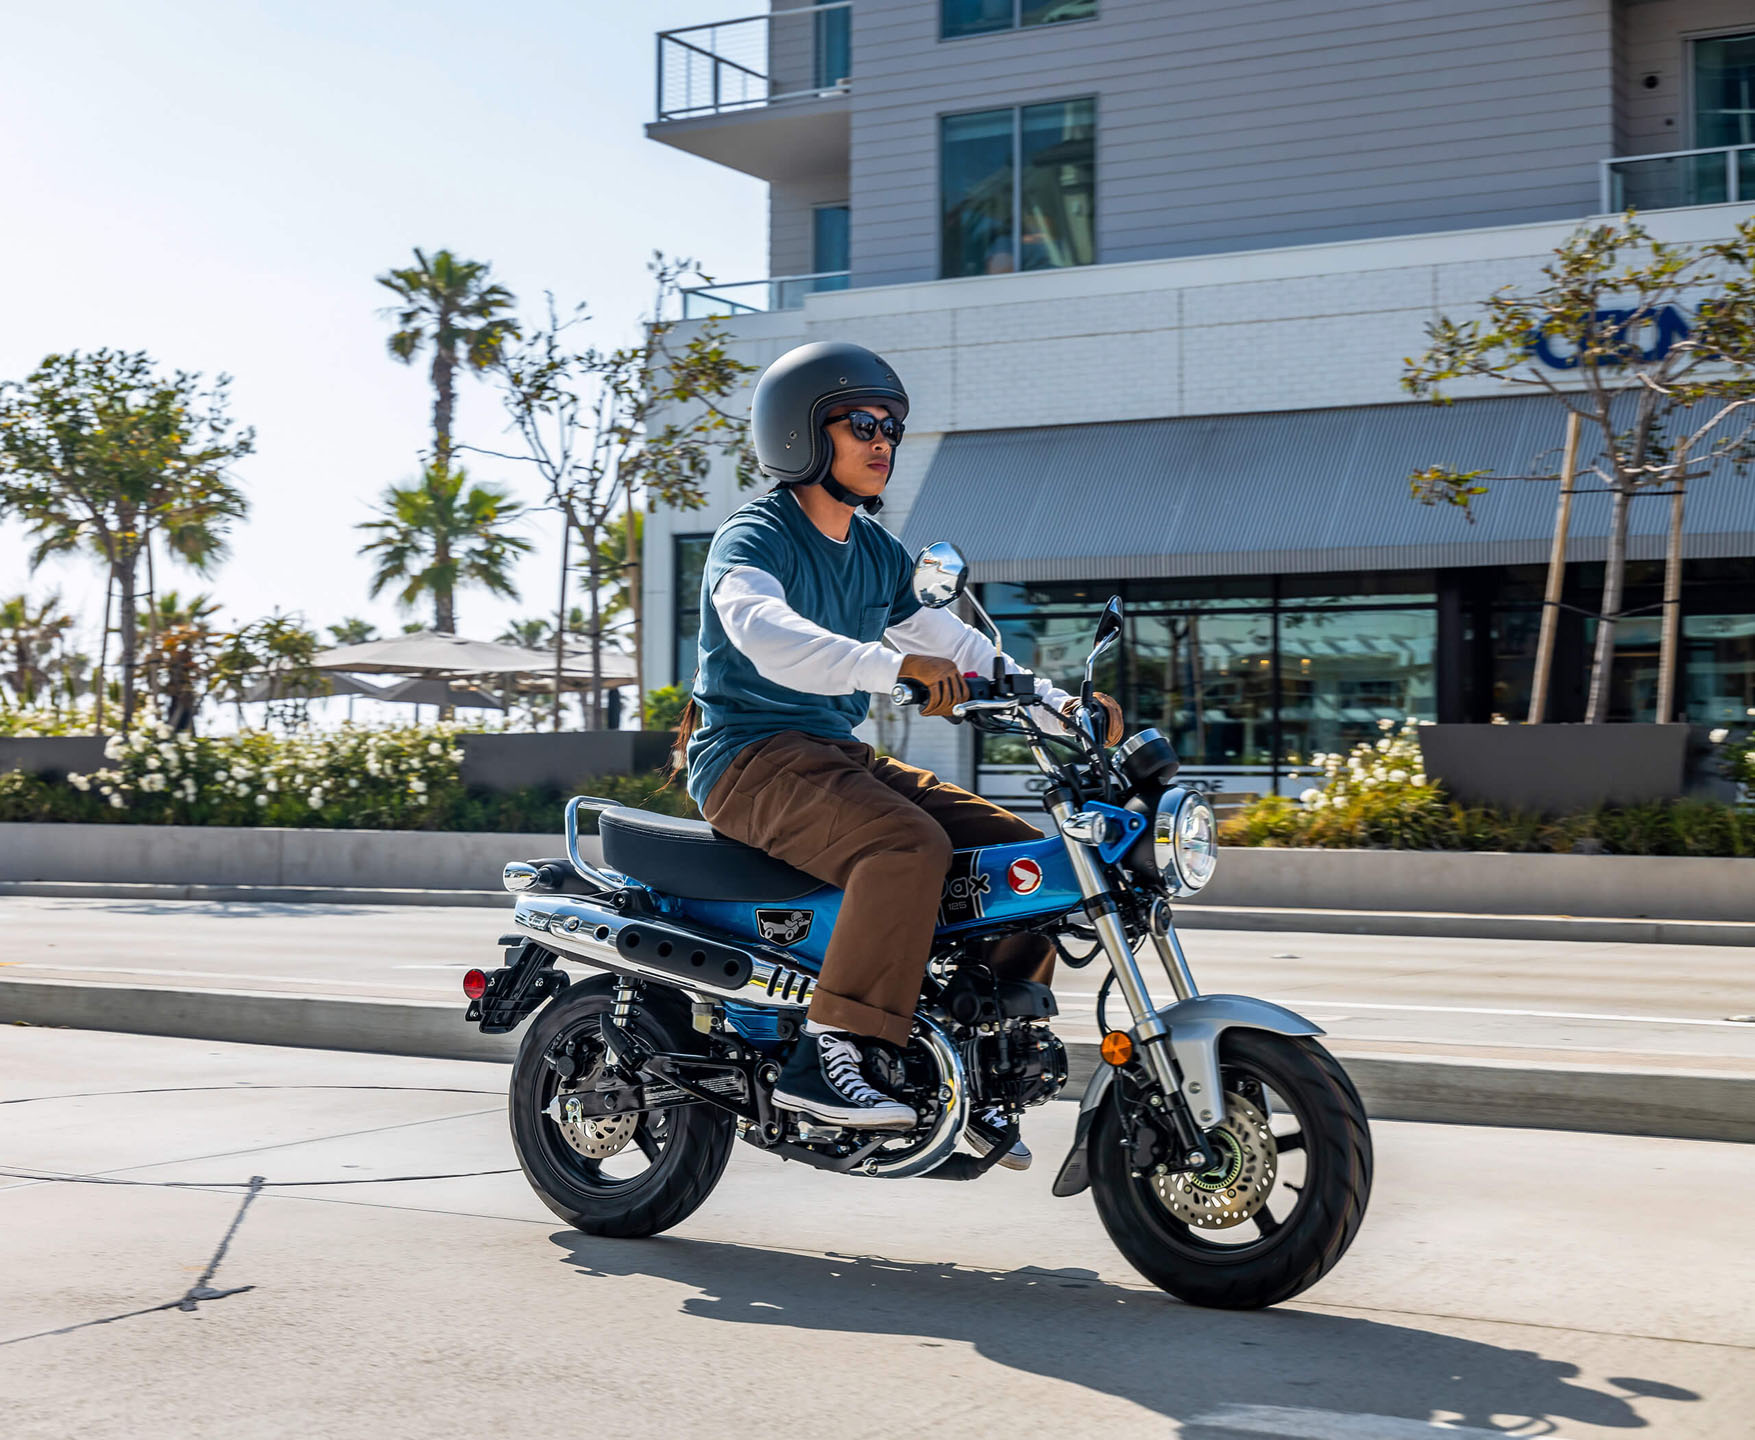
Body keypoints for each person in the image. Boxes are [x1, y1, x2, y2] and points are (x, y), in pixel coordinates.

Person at [677, 340, 1122, 1169]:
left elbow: (961, 646)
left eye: (891, 428)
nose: (882, 440)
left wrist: (1063, 706)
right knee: (904, 845)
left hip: (831, 755)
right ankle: (829, 1054)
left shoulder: (878, 552)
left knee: (1023, 859)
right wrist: (889, 669)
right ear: (800, 433)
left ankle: (976, 1067)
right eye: (861, 424)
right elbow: (763, 632)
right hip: (748, 758)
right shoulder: (756, 536)